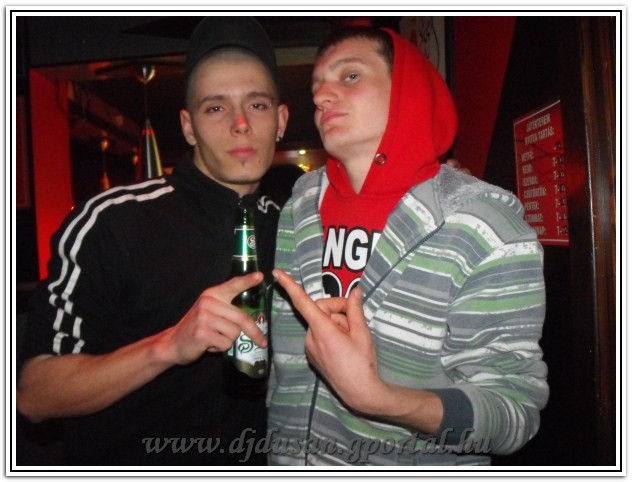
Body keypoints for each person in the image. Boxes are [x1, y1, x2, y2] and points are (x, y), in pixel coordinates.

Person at [267, 26, 548, 465]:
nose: (321, 96)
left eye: (350, 76)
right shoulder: (298, 210)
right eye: (316, 85)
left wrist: (379, 398)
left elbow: (514, 411)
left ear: (406, 90)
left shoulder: (484, 227)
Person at [16, 16, 289, 465]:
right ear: (188, 126)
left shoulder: (293, 227)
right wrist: (168, 346)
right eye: (215, 108)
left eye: (257, 104)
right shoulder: (113, 222)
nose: (240, 124)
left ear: (280, 120)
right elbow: (33, 393)